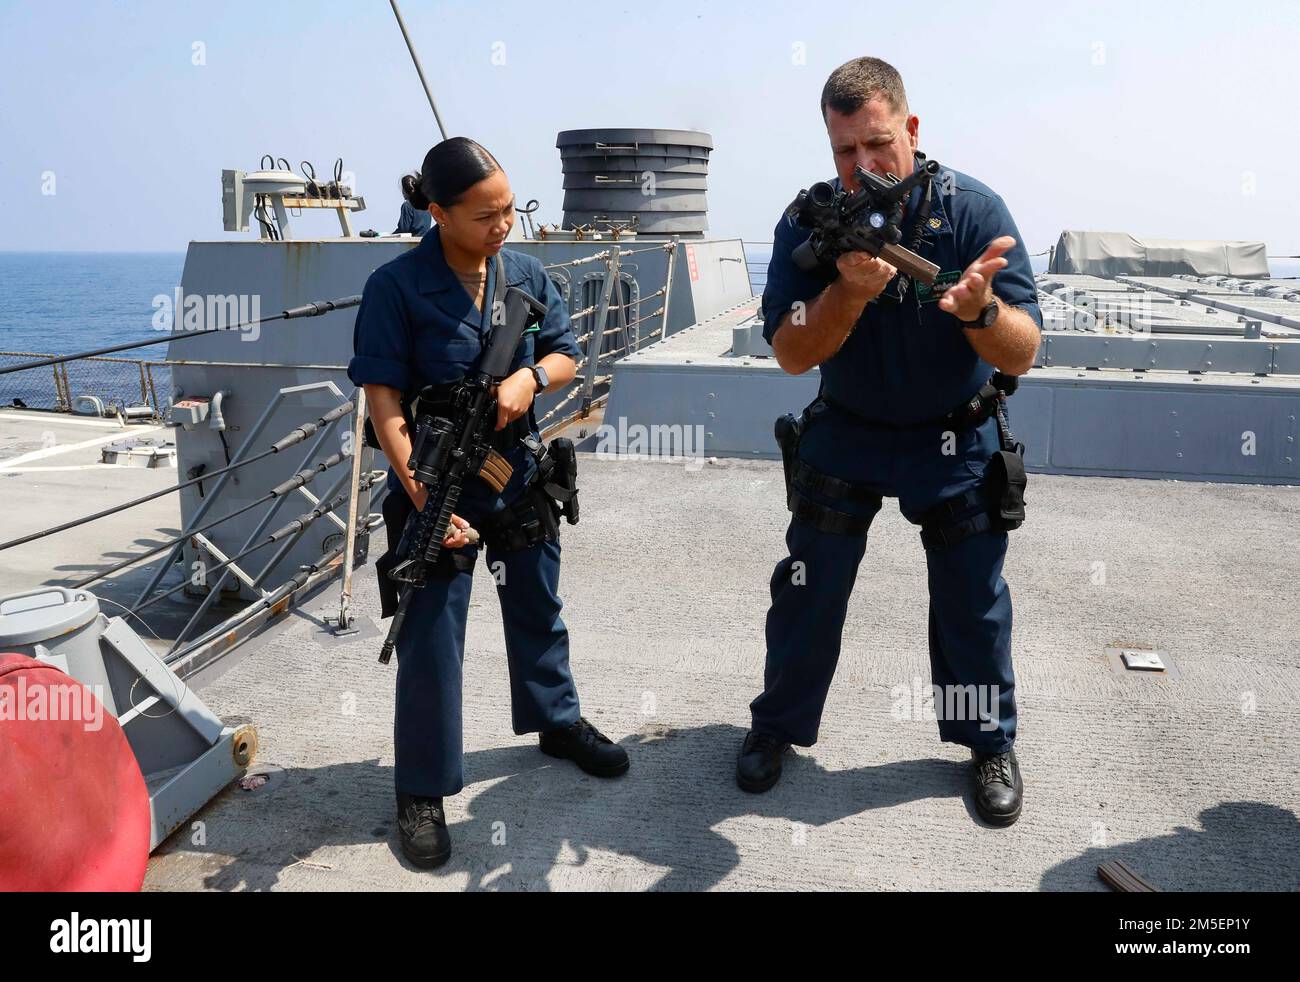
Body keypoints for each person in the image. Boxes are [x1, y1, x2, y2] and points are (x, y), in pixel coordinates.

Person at [737, 57, 1042, 827]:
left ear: (910, 128)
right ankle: (776, 726)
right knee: (806, 591)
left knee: (973, 602)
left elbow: (1023, 350)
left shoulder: (972, 210)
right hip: (847, 430)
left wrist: (979, 312)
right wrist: (847, 291)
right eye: (846, 152)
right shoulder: (808, 224)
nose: (864, 167)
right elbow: (791, 352)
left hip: (956, 433)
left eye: (878, 145)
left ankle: (986, 741)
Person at [349, 137, 629, 869]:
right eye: (484, 215)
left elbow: (568, 353)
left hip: (519, 478)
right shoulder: (396, 287)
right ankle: (421, 787)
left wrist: (529, 380)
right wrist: (418, 487)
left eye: (508, 208)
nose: (502, 224)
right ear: (436, 212)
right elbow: (381, 398)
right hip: (436, 486)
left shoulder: (527, 273)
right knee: (431, 637)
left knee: (538, 607)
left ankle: (556, 722)